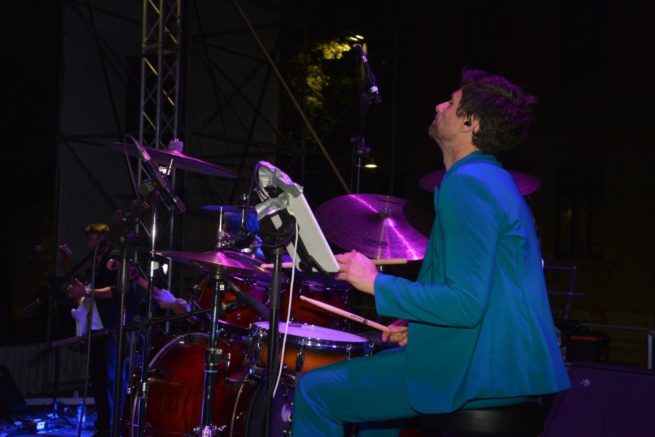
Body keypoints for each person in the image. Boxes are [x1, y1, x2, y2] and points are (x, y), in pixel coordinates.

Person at [290, 68, 571, 436]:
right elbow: (489, 291)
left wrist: (375, 282)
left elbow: (465, 304)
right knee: (375, 412)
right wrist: (417, 323)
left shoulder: (468, 184)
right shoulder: (493, 179)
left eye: (451, 103)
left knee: (315, 391)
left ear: (471, 122)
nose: (439, 106)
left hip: (481, 370)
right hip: (504, 362)